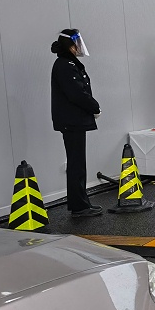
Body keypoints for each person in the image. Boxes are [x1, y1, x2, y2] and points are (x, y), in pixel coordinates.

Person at [50, 28, 102, 217]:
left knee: (78, 163)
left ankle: (81, 203)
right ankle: (79, 207)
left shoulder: (70, 63)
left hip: (74, 120)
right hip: (72, 121)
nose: (78, 47)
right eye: (75, 43)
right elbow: (77, 93)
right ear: (69, 45)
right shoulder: (64, 65)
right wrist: (94, 107)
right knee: (76, 164)